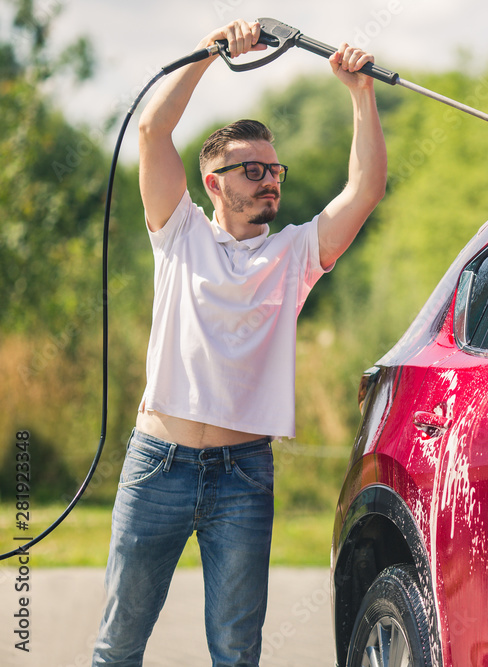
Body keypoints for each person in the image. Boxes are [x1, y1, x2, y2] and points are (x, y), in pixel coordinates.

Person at [92, 19, 386, 666]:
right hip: (158, 465)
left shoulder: (294, 254)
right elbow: (152, 130)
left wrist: (360, 94)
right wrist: (210, 51)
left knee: (236, 653)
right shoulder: (179, 232)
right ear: (213, 183)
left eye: (273, 168)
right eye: (251, 170)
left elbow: (364, 191)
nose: (268, 179)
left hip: (243, 474)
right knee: (118, 645)